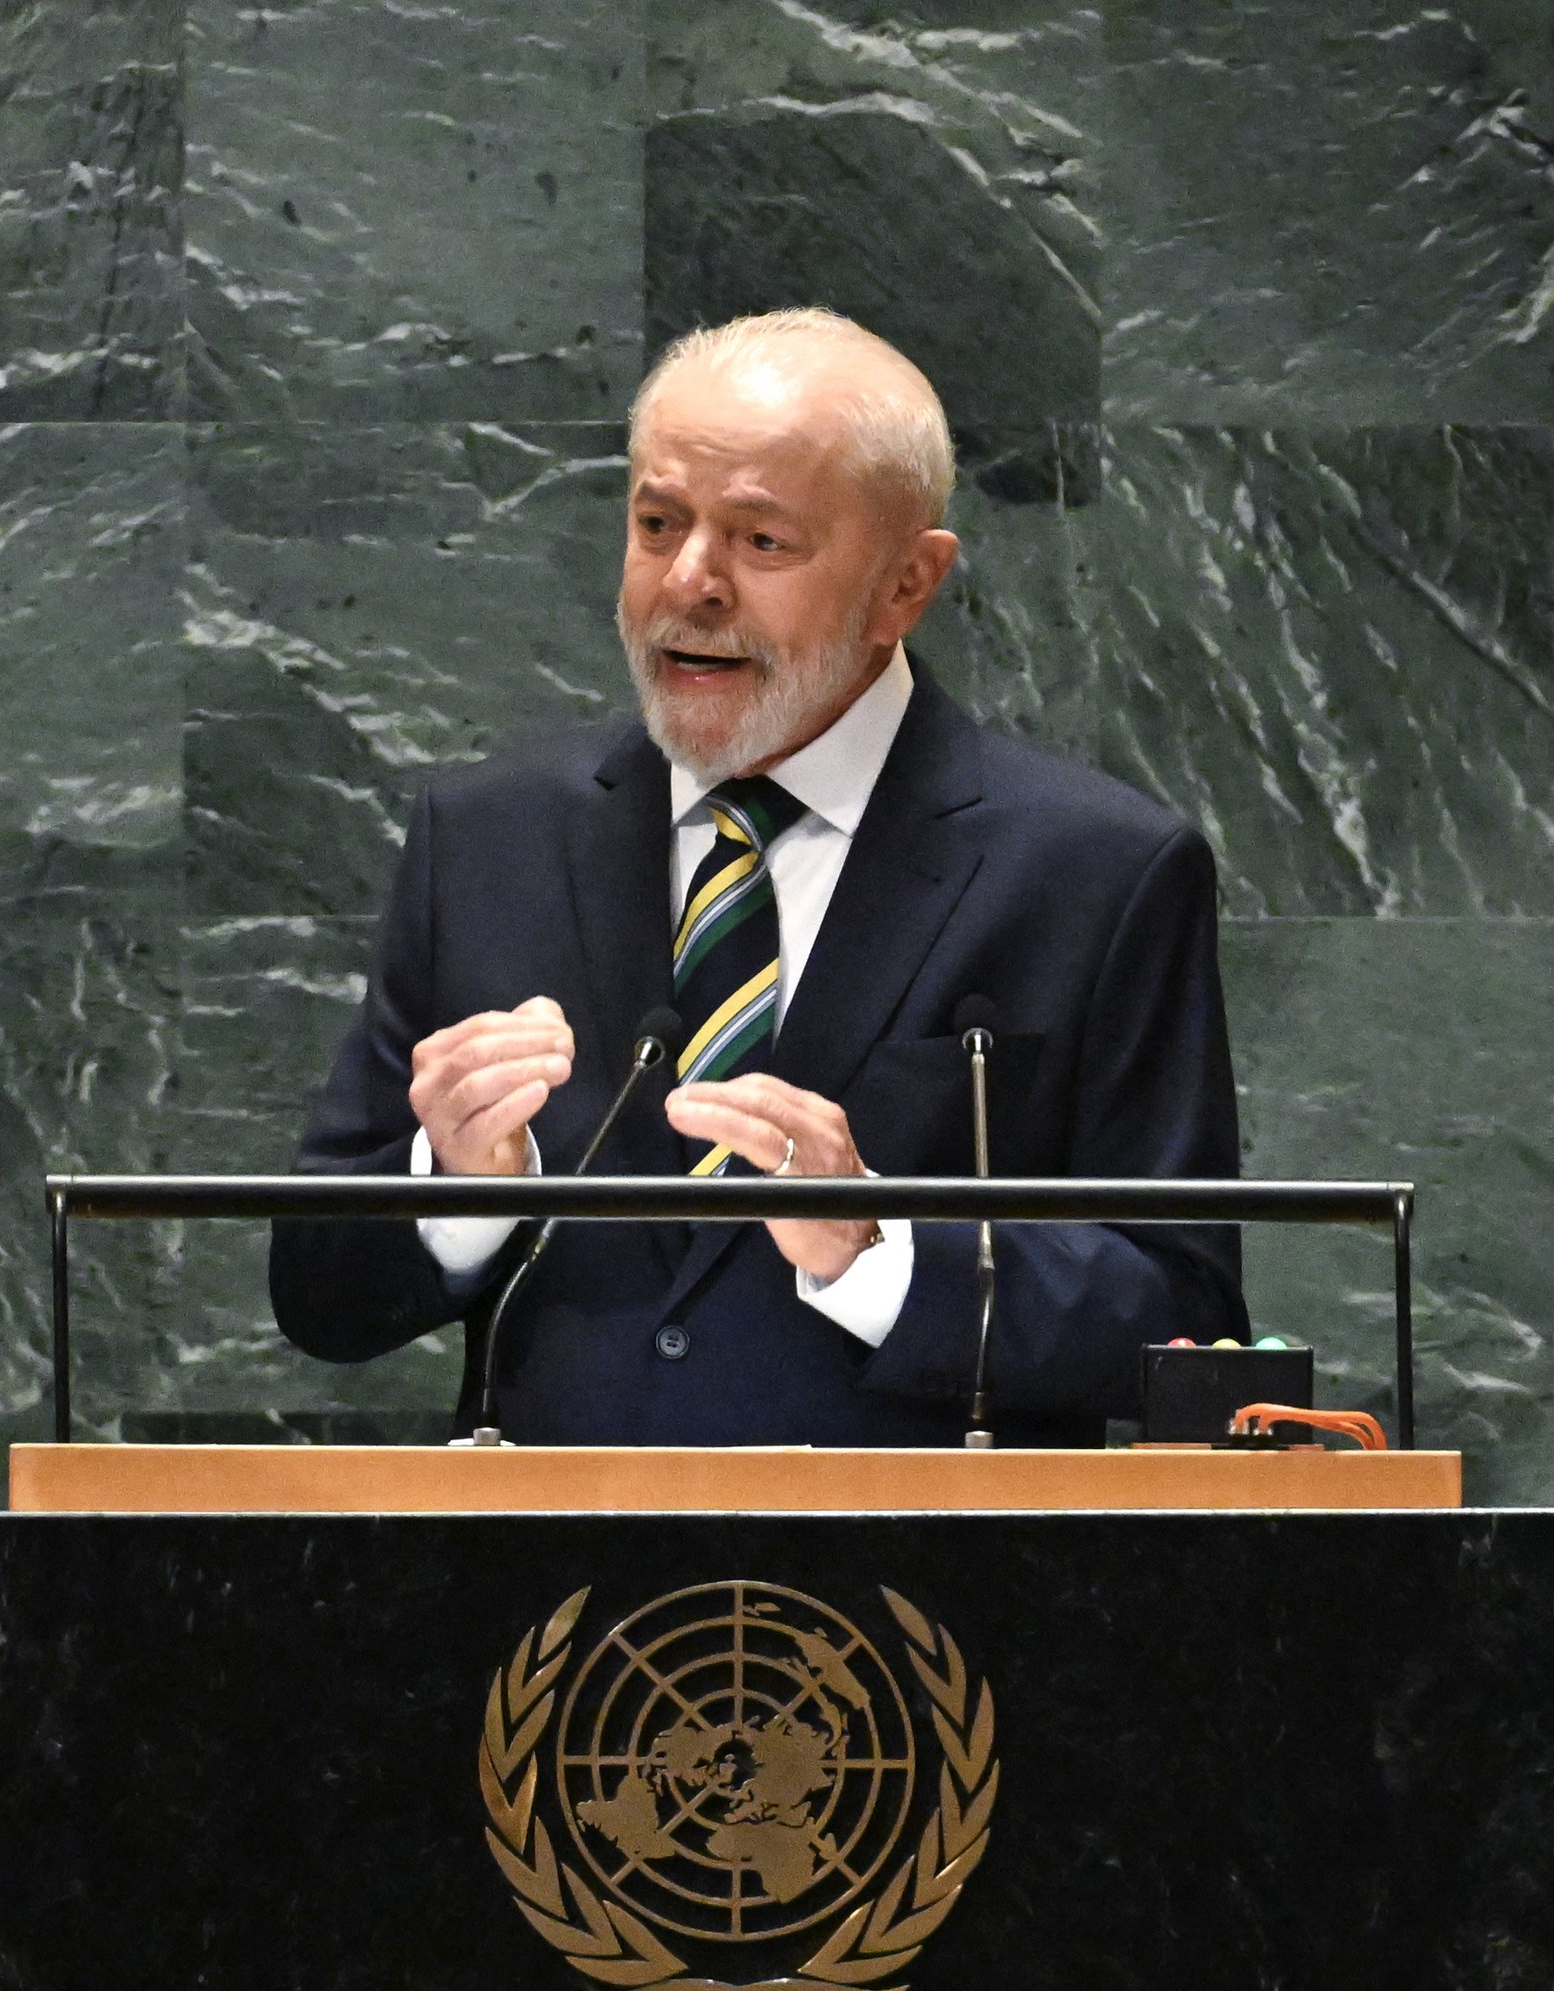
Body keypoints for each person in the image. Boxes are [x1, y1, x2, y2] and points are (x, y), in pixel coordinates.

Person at [268, 308, 1246, 1445]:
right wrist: (456, 1181)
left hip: (931, 1596)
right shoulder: (488, 837)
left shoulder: (1096, 871)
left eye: (761, 542)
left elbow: (1183, 1324)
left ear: (906, 585)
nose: (691, 582)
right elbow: (319, 1297)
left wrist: (879, 1251)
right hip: (556, 1599)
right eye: (656, 522)